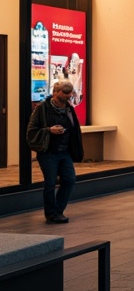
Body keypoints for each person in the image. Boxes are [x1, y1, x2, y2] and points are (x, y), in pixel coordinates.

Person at [26, 79, 84, 223]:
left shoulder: (69, 109)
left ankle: (58, 210)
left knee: (69, 179)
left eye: (70, 93)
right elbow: (31, 132)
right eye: (65, 92)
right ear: (56, 92)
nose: (68, 95)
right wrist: (49, 131)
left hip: (65, 153)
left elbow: (74, 129)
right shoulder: (42, 109)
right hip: (48, 153)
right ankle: (51, 213)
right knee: (50, 183)